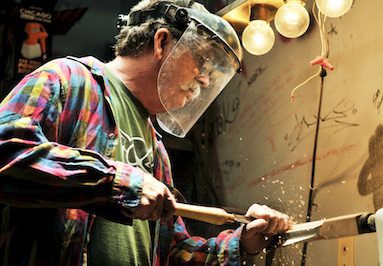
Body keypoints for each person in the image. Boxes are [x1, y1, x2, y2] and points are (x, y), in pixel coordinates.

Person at [0, 0, 292, 265]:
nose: (204, 79)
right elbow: (6, 152)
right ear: (162, 42)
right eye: (201, 61)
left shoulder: (157, 149)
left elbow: (172, 250)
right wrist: (117, 181)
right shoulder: (67, 80)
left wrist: (242, 242)